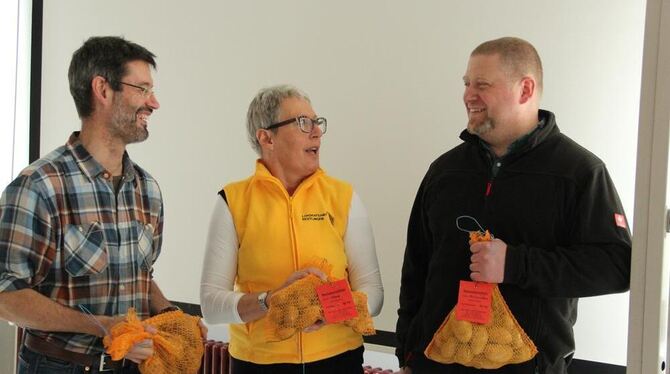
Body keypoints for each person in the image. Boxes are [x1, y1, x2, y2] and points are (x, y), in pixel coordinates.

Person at [395, 37, 632, 374]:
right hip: (434, 365)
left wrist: (516, 264)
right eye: (466, 84)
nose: (468, 95)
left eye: (482, 84)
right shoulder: (445, 170)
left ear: (525, 90)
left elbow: (617, 266)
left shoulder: (579, 172)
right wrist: (407, 351)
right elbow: (416, 266)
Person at [0, 36, 188, 373]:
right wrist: (101, 326)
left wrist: (169, 315)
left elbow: (139, 277)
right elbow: (6, 297)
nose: (154, 103)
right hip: (59, 366)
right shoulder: (40, 186)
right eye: (142, 89)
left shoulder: (147, 190)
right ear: (102, 90)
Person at [200, 84, 384, 374]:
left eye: (317, 122)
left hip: (338, 360)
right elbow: (211, 305)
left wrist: (332, 309)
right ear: (266, 137)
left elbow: (374, 295)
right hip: (258, 364)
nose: (316, 132)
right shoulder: (233, 201)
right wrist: (272, 301)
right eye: (302, 123)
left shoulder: (344, 197)